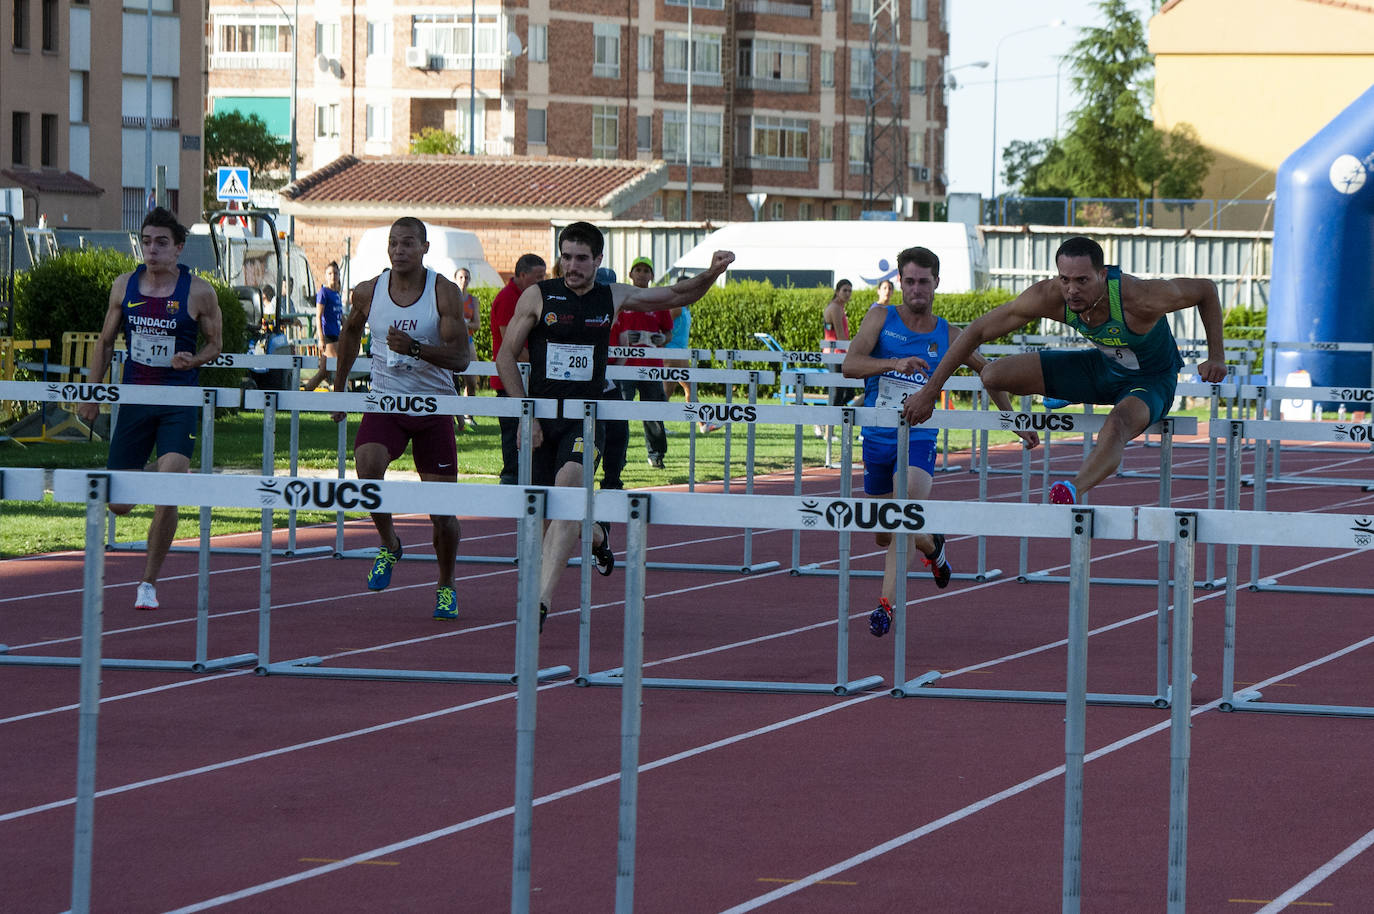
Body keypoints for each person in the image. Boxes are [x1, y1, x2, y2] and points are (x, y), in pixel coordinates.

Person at [495, 221, 733, 633]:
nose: (572, 266)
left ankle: (539, 604)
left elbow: (676, 294)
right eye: (566, 257)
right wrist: (526, 413)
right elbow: (504, 357)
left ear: (598, 260)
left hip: (587, 418)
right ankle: (599, 538)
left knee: (569, 491)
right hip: (542, 418)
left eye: (581, 259)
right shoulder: (539, 295)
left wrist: (711, 275)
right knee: (546, 519)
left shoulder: (613, 295)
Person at [902, 235, 1227, 506]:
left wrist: (1216, 356)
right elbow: (975, 332)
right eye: (1065, 279)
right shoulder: (1051, 296)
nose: (1072, 290)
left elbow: (1206, 290)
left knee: (1117, 425)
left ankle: (1073, 488)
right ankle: (1066, 392)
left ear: (1103, 274)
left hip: (1150, 380)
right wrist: (929, 393)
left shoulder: (1140, 298)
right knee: (993, 375)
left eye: (1082, 280)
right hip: (1101, 367)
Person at [843, 246, 1036, 638]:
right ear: (900, 282)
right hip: (878, 436)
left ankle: (885, 605)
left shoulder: (948, 334)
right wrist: (892, 364)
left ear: (936, 284)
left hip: (919, 437)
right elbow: (850, 365)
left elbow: (989, 374)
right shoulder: (881, 317)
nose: (916, 289)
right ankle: (931, 546)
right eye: (909, 281)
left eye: (924, 282)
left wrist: (1014, 420)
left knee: (900, 513)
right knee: (883, 531)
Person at [77, 207, 223, 611]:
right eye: (146, 241)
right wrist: (93, 394)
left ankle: (148, 583)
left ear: (178, 248)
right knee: (119, 503)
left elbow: (216, 344)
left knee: (168, 489)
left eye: (161, 242)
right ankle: (159, 470)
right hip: (136, 398)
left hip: (178, 400)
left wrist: (193, 360)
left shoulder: (199, 291)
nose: (152, 249)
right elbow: (105, 343)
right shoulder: (124, 287)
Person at [330, 217, 473, 621]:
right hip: (386, 403)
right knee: (367, 469)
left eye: (408, 243)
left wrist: (415, 349)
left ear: (424, 248)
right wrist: (340, 388)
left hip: (433, 407)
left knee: (442, 513)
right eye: (394, 243)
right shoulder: (368, 291)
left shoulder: (442, 291)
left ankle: (446, 585)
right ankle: (389, 542)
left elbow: (461, 358)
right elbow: (350, 334)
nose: (399, 250)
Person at [607, 256, 672, 470]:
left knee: (653, 411)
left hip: (651, 365)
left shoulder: (658, 301)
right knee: (621, 413)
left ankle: (656, 455)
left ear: (652, 276)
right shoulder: (622, 298)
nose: (642, 274)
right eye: (639, 270)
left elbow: (668, 332)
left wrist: (662, 339)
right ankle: (618, 456)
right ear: (630, 274)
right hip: (625, 366)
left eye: (646, 270)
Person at [489, 253, 547, 484]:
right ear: (522, 275)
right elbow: (510, 347)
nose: (542, 281)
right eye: (538, 277)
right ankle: (511, 481)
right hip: (509, 381)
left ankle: (526, 481)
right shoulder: (507, 299)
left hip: (528, 379)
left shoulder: (528, 297)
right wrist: (543, 364)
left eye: (544, 276)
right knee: (513, 438)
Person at [818, 278, 856, 436]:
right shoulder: (835, 308)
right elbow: (840, 336)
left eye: (850, 290)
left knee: (848, 393)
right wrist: (852, 353)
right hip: (834, 354)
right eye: (844, 290)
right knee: (836, 394)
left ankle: (823, 421)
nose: (847, 294)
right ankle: (828, 430)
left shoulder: (839, 307)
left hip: (838, 354)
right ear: (837, 291)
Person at [303, 260, 343, 391]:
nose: (333, 276)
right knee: (340, 367)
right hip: (328, 336)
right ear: (326, 275)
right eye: (330, 273)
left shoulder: (336, 294)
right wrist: (320, 338)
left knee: (323, 373)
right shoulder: (323, 292)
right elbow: (318, 316)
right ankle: (339, 400)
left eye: (335, 273)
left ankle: (303, 394)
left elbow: (341, 316)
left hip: (336, 335)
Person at [454, 266, 481, 429]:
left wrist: (464, 324)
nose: (464, 281)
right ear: (455, 279)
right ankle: (450, 415)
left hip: (468, 340)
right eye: (461, 277)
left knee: (471, 380)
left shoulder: (473, 300)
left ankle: (468, 415)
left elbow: (477, 324)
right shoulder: (450, 298)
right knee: (450, 381)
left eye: (467, 278)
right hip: (450, 341)